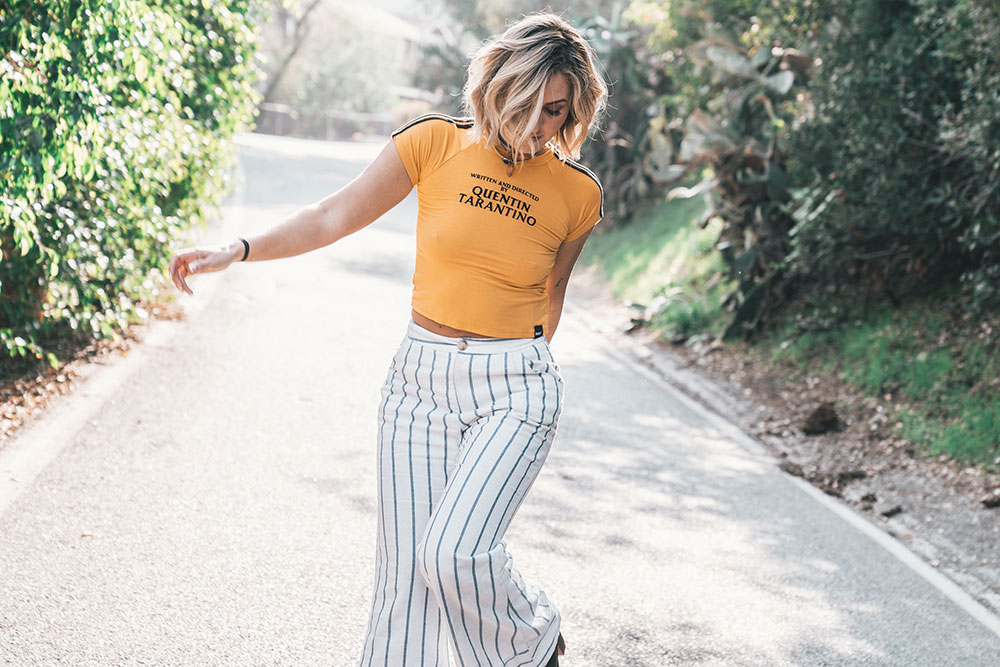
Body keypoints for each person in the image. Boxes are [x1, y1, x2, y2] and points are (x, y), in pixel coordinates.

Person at [169, 12, 607, 667]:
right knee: (405, 584)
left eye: (555, 111)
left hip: (516, 384)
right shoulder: (433, 143)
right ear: (498, 88)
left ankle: (530, 634)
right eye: (527, 104)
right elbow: (331, 215)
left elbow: (553, 297)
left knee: (455, 552)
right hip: (419, 382)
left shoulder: (577, 193)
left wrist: (520, 369)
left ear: (574, 113)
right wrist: (239, 248)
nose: (537, 125)